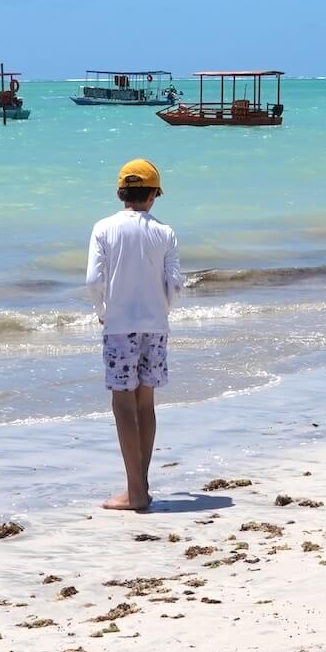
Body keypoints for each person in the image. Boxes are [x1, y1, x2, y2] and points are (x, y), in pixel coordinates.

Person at [86, 158, 183, 513]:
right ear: (154, 195)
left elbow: (94, 281)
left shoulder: (103, 228)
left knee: (123, 405)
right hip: (155, 327)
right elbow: (175, 283)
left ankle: (136, 492)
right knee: (145, 405)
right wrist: (162, 311)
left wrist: (102, 311)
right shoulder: (165, 232)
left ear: (119, 193)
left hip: (119, 327)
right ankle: (140, 486)